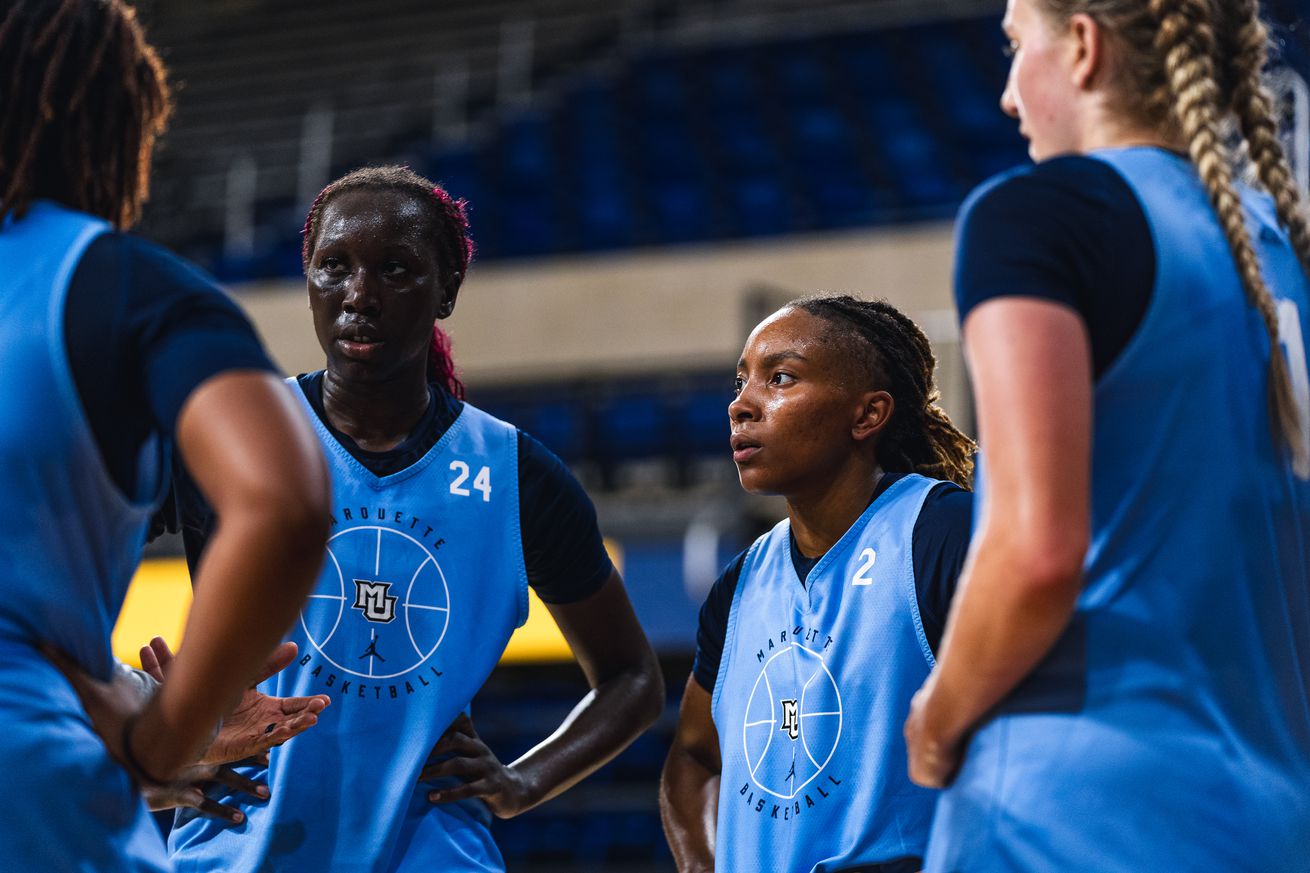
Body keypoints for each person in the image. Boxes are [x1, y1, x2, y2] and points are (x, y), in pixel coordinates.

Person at [165, 165, 666, 872]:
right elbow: (50, 575)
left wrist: (522, 783)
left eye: (395, 269)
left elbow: (632, 677)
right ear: (306, 279)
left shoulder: (514, 472)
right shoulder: (228, 431)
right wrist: (143, 747)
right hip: (234, 850)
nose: (359, 296)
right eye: (333, 267)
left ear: (447, 290)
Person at [903, 0, 1310, 870]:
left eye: (1018, 47)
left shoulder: (1039, 216)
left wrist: (933, 720)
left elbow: (1034, 551)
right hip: (1275, 812)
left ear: (1082, 47)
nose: (1010, 95)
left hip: (1071, 811)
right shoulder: (1281, 249)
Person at [0, 0, 331, 869]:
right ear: (115, 127)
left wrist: (122, 696)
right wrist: (161, 729)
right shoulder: (122, 289)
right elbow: (284, 502)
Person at [661, 295, 975, 873]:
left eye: (779, 378)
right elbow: (694, 756)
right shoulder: (741, 583)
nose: (741, 406)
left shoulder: (945, 535)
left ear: (867, 415)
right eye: (740, 382)